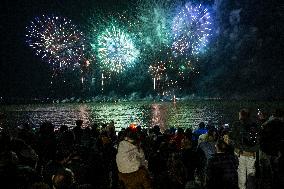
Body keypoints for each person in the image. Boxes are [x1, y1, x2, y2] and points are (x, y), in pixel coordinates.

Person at [229, 108, 259, 189]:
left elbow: (232, 136)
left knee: (242, 173)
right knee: (251, 174)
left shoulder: (237, 124)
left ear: (241, 115)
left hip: (241, 153)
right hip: (252, 154)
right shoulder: (255, 124)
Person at [259, 108, 284, 189]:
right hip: (277, 151)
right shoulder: (280, 124)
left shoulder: (268, 124)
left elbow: (262, 137)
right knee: (277, 171)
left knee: (267, 172)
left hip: (268, 151)